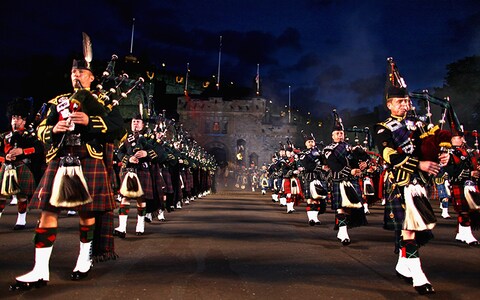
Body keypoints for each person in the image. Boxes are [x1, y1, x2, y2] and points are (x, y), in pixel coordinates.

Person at [10, 55, 124, 291]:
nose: (76, 75)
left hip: (88, 158)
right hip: (61, 158)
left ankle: (84, 259)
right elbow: (40, 128)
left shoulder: (105, 102)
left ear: (91, 77)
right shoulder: (57, 102)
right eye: (74, 73)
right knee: (48, 211)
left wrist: (90, 121)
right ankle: (40, 269)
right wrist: (53, 128)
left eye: (81, 73)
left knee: (86, 211)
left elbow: (118, 130)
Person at [374, 73, 450, 294]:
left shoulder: (419, 124)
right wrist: (420, 164)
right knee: (409, 230)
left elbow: (429, 147)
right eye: (399, 101)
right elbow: (389, 155)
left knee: (412, 230)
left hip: (418, 183)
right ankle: (418, 275)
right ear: (389, 104)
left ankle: (401, 263)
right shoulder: (383, 128)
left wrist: (441, 157)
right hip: (400, 183)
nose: (405, 104)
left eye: (406, 101)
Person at [323, 110, 367, 245]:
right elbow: (334, 165)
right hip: (339, 179)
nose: (340, 135)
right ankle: (343, 233)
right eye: (337, 133)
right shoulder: (328, 149)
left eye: (341, 133)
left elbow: (361, 159)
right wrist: (350, 171)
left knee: (350, 208)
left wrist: (363, 164)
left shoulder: (350, 147)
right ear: (332, 135)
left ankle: (342, 230)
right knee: (341, 207)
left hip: (352, 180)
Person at [0, 98, 44, 230]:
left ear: (24, 120)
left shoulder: (30, 136)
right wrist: (5, 157)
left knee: (22, 196)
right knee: (0, 195)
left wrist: (22, 151)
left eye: (18, 118)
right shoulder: (4, 136)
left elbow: (39, 149)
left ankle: (21, 220)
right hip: (6, 167)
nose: (15, 121)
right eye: (14, 117)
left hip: (22, 166)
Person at [114, 115, 155, 237]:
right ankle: (122, 227)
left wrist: (146, 153)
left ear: (143, 125)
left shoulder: (148, 138)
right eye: (133, 122)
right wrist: (128, 158)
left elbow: (157, 152)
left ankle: (140, 225)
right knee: (124, 198)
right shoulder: (127, 138)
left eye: (137, 122)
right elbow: (120, 153)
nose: (135, 124)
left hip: (142, 171)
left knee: (141, 199)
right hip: (129, 170)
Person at [443, 124, 480, 245]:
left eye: (458, 137)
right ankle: (468, 235)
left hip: (471, 184)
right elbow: (450, 170)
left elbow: (475, 164)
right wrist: (470, 173)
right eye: (454, 138)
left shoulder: (471, 152)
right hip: (458, 183)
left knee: (472, 209)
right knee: (463, 210)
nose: (456, 140)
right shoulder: (449, 153)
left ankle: (461, 234)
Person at [297, 133, 327, 225]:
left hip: (320, 177)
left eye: (312, 141)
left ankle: (316, 218)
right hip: (309, 177)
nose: (310, 143)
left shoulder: (320, 152)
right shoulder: (302, 154)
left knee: (319, 199)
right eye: (309, 141)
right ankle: (312, 218)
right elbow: (307, 166)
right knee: (311, 199)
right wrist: (320, 167)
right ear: (305, 143)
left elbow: (325, 163)